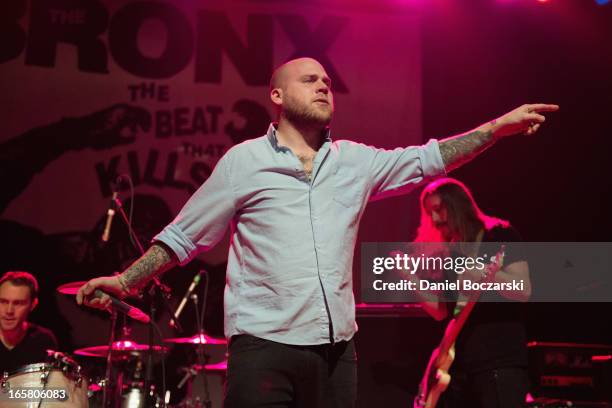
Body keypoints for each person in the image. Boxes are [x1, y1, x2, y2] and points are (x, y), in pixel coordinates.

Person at [76, 57, 556, 407]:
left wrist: (496, 129)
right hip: (264, 347)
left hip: (335, 353)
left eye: (328, 81)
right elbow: (184, 236)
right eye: (310, 80)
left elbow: (429, 158)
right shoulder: (245, 162)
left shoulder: (355, 161)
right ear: (278, 96)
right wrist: (125, 281)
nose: (324, 86)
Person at [413, 178, 531, 408]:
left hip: (498, 359)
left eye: (438, 209)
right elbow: (441, 312)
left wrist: (486, 275)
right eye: (430, 213)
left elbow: (523, 289)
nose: (435, 220)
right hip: (461, 366)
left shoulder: (499, 235)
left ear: (457, 204)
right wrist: (410, 278)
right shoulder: (452, 252)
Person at [0, 271, 58, 374]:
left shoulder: (43, 340)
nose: (9, 311)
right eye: (3, 301)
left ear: (33, 305)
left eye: (18, 303)